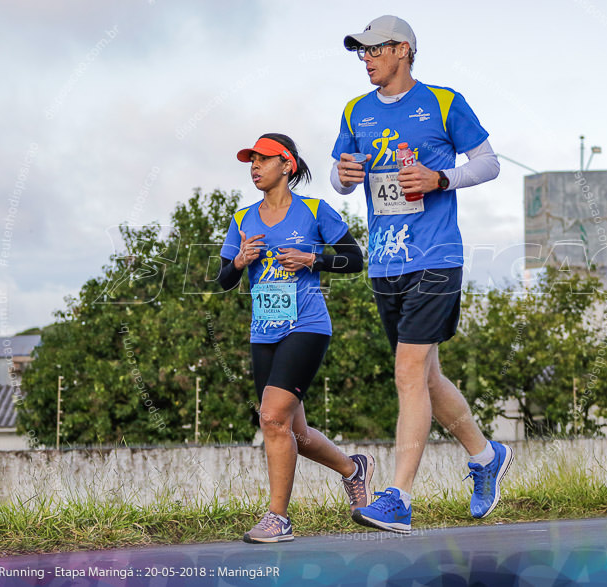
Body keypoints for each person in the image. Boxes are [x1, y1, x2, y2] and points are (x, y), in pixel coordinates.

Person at [331, 16, 511, 534]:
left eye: (373, 50)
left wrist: (440, 177)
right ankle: (485, 457)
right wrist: (343, 177)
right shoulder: (354, 110)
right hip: (386, 262)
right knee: (426, 377)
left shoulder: (445, 102)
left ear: (403, 50)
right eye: (360, 52)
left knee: (408, 373)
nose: (365, 59)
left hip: (435, 257)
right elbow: (342, 177)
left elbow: (488, 163)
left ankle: (398, 498)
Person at [219, 133, 373, 543]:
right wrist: (238, 261)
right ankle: (352, 469)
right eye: (250, 161)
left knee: (270, 418)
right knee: (295, 434)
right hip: (263, 332)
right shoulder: (241, 219)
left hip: (306, 326)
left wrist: (314, 258)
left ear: (286, 165)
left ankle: (278, 518)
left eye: (263, 159)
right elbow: (222, 280)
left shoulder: (314, 211)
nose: (254, 167)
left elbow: (355, 259)